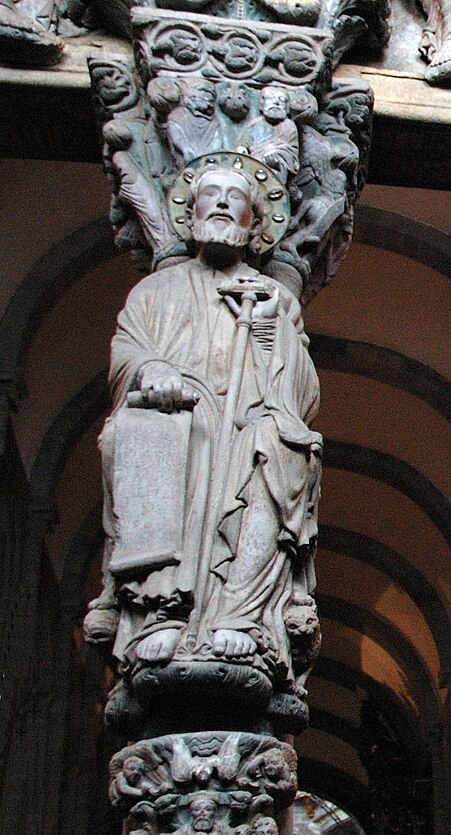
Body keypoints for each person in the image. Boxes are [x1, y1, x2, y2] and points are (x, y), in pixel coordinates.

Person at [85, 161, 321, 704]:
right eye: (207, 195)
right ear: (189, 216)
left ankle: (239, 611)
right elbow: (128, 351)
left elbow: (302, 394)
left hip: (249, 425)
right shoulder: (156, 291)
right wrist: (150, 372)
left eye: (233, 197)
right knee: (151, 432)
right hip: (181, 417)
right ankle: (163, 608)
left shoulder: (273, 296)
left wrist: (267, 328)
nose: (219, 204)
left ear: (254, 219)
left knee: (279, 448)